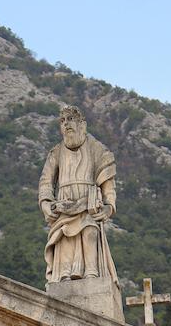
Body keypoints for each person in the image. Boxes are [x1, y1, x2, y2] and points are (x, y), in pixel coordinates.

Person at [38, 106, 118, 285]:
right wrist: (45, 202)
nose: (66, 124)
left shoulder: (97, 149)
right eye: (62, 121)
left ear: (82, 124)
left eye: (70, 119)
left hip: (88, 204)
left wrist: (109, 206)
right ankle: (64, 274)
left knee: (90, 231)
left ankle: (91, 273)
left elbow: (107, 182)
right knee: (65, 235)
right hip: (64, 207)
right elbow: (46, 181)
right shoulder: (56, 152)